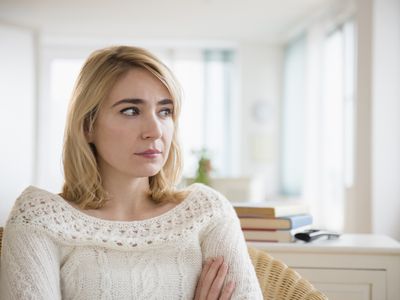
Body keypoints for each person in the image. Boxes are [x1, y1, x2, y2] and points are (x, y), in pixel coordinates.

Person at [0, 46, 263, 299]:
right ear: (87, 126)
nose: (155, 130)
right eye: (130, 110)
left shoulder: (208, 211)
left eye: (165, 111)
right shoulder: (39, 218)